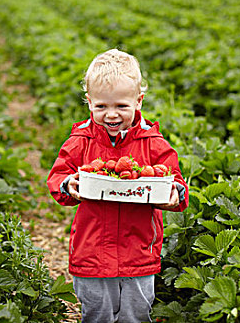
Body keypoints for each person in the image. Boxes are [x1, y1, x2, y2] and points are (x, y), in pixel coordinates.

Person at [46, 49, 189, 322]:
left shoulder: (154, 144)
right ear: (89, 103)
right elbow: (57, 177)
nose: (111, 115)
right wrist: (69, 184)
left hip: (139, 254)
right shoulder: (81, 141)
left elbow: (176, 183)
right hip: (91, 253)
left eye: (121, 106)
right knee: (97, 313)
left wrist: (173, 194)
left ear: (139, 101)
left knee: (135, 315)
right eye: (101, 107)